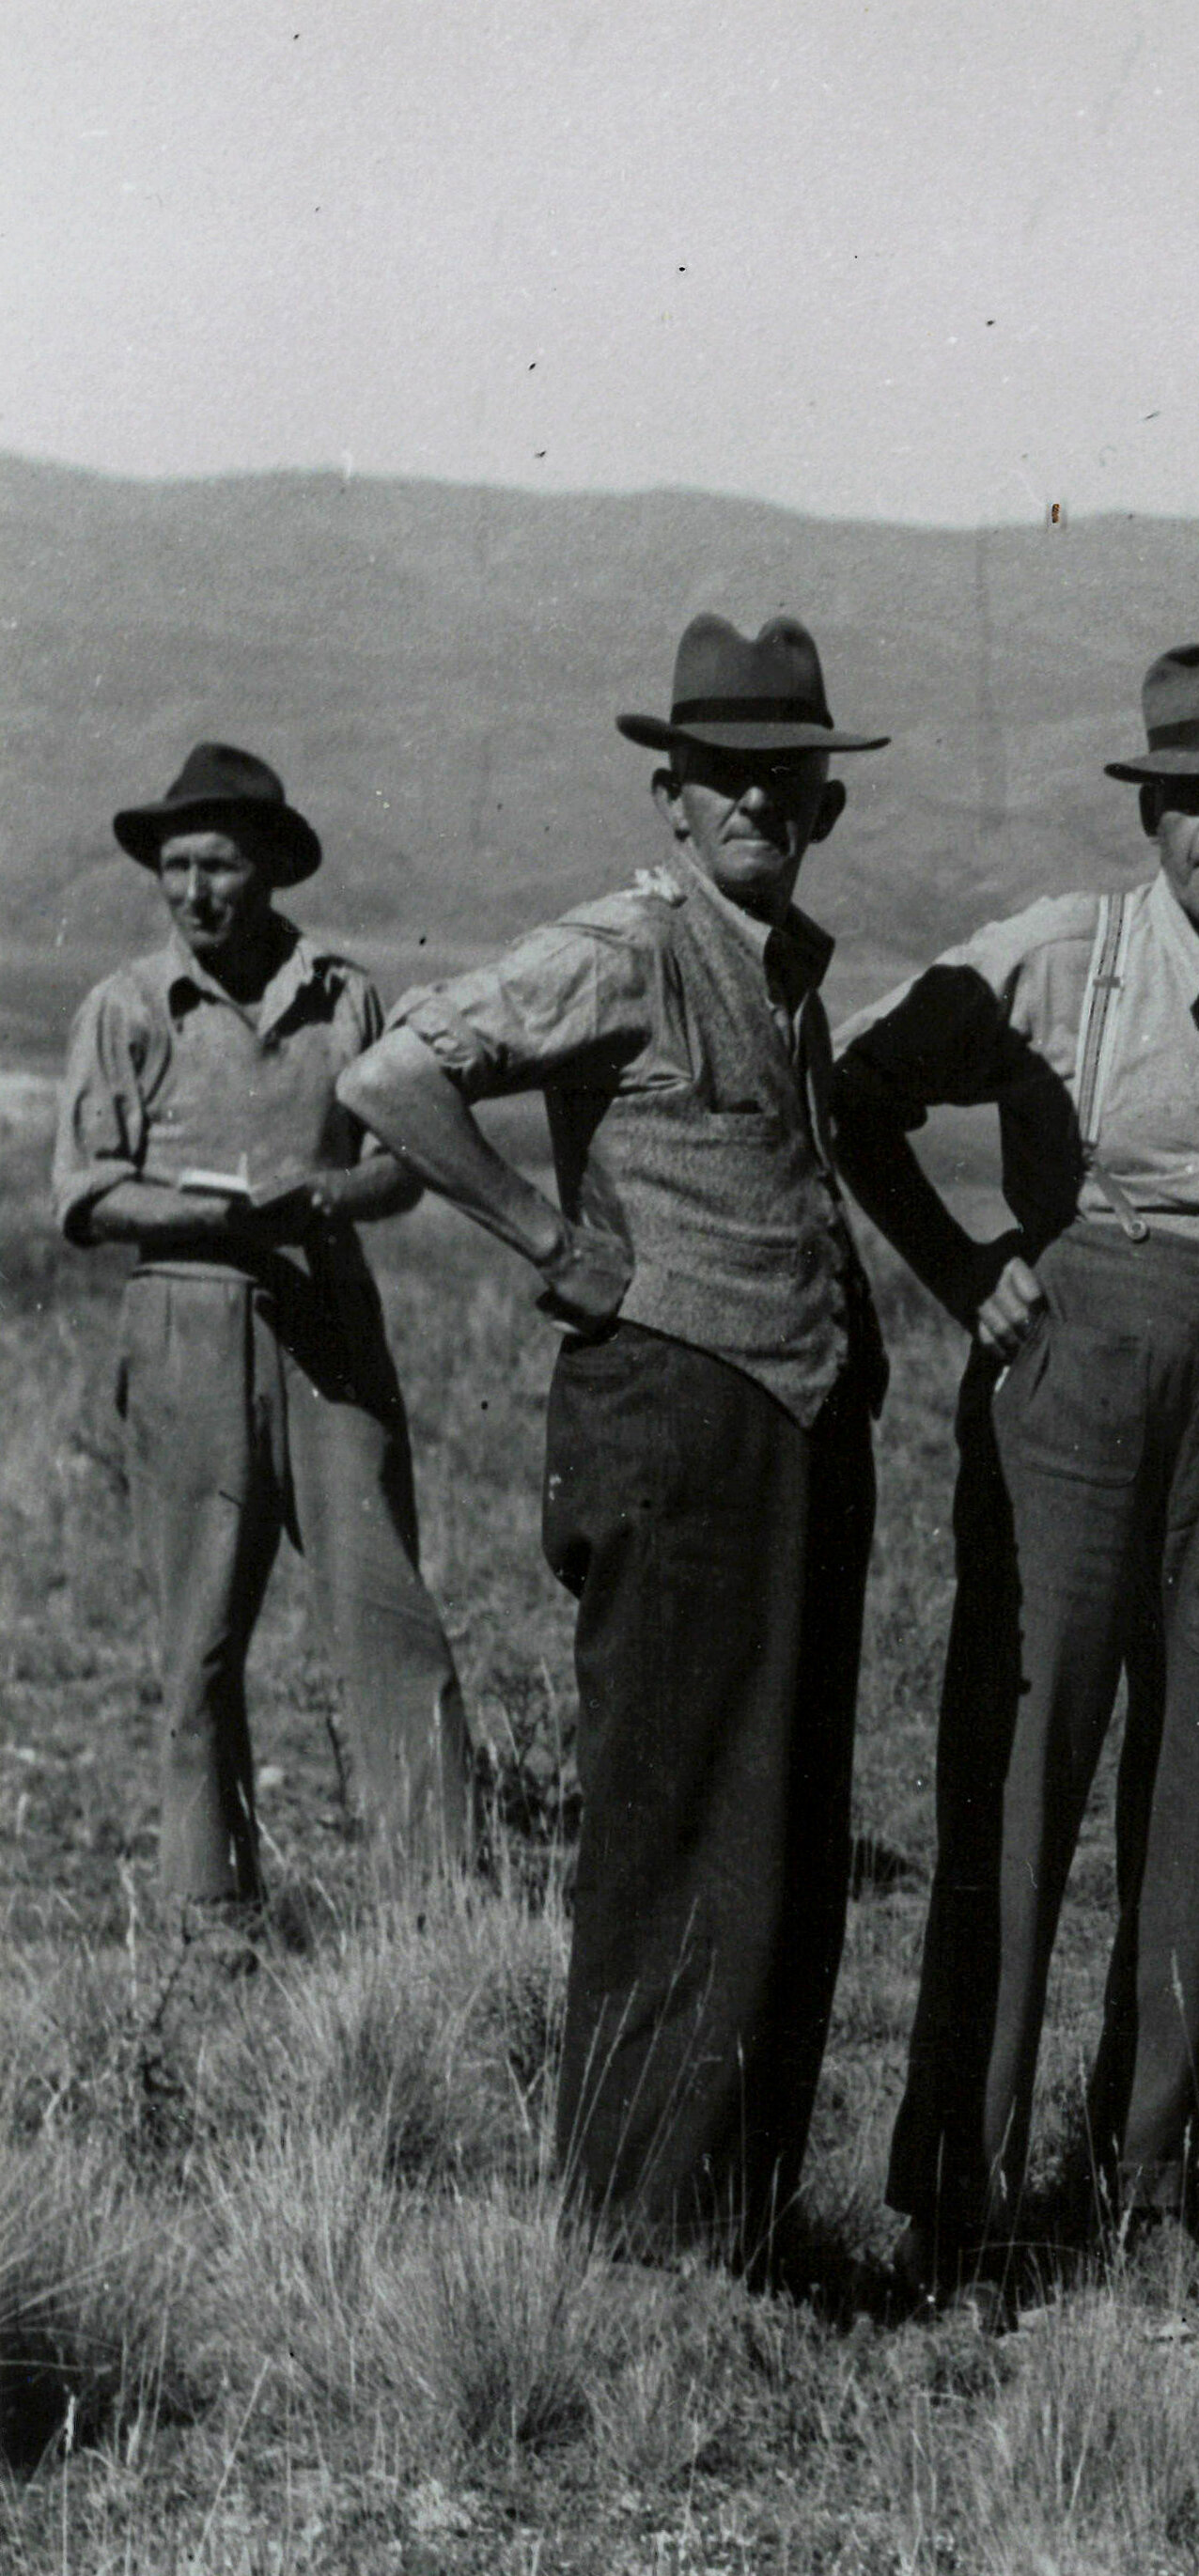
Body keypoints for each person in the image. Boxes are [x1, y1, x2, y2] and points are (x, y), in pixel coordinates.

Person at [825, 639, 1199, 2308]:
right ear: (1153, 812)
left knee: (1196, 1791)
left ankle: (1145, 2170)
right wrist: (967, 1272)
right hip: (1078, 1374)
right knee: (1024, 1770)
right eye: (1195, 801)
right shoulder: (1058, 961)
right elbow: (857, 1097)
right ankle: (961, 2190)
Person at [339, 615, 891, 2273]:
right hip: (668, 1417)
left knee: (779, 1830)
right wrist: (543, 1237)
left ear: (823, 804)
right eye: (725, 778)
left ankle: (735, 2224)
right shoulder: (632, 947)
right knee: (668, 1831)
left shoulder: (788, 967)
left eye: (786, 779)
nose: (757, 804)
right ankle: (630, 2248)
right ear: (671, 796)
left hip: (786, 1427)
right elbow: (393, 1077)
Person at [51, 742, 474, 1921]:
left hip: (324, 1311)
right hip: (183, 1317)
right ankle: (207, 1908)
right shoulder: (127, 1007)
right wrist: (197, 1211)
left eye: (221, 865)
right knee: (198, 1635)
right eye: (176, 867)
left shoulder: (346, 995)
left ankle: (433, 1903)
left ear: (272, 870)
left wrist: (326, 1196)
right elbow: (83, 1192)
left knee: (386, 1606)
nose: (196, 891)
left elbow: (405, 1165)